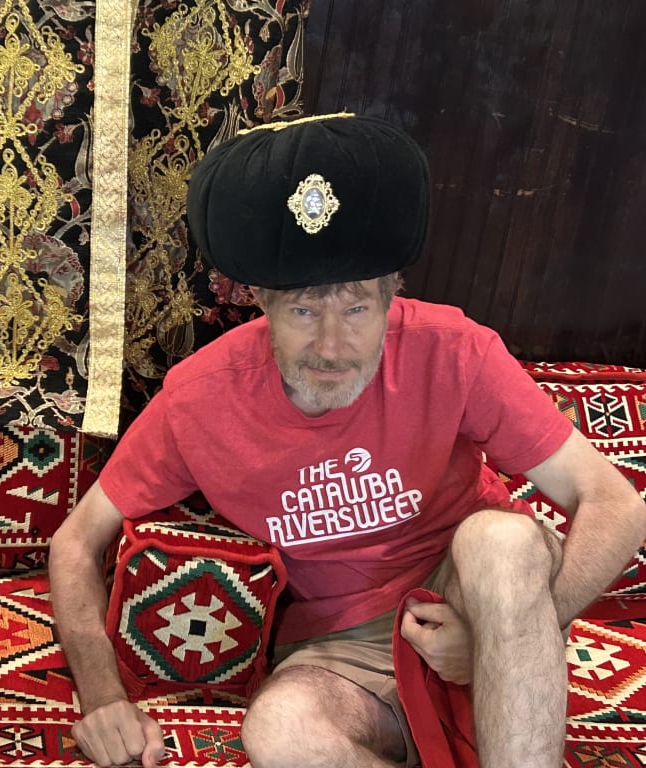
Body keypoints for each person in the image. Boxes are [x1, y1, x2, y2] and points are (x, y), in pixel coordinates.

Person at [48, 113, 646, 768]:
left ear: (393, 295)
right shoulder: (199, 398)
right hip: (341, 650)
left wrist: (500, 635)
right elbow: (76, 541)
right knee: (279, 732)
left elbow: (616, 503)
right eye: (304, 309)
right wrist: (102, 698)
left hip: (480, 598)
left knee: (499, 540)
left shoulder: (455, 349)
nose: (331, 347)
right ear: (261, 301)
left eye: (357, 308)